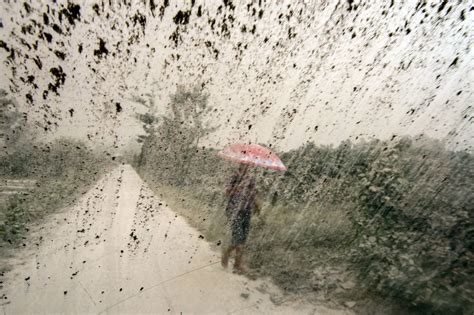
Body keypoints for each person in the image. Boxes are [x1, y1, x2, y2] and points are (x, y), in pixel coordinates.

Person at [221, 163, 262, 273]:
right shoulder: (234, 176)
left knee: (243, 239)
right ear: (240, 163)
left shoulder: (251, 178)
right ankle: (227, 254)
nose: (247, 166)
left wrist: (257, 206)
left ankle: (237, 264)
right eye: (244, 164)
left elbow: (253, 193)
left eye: (249, 165)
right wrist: (239, 187)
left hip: (246, 210)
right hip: (234, 211)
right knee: (238, 237)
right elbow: (226, 191)